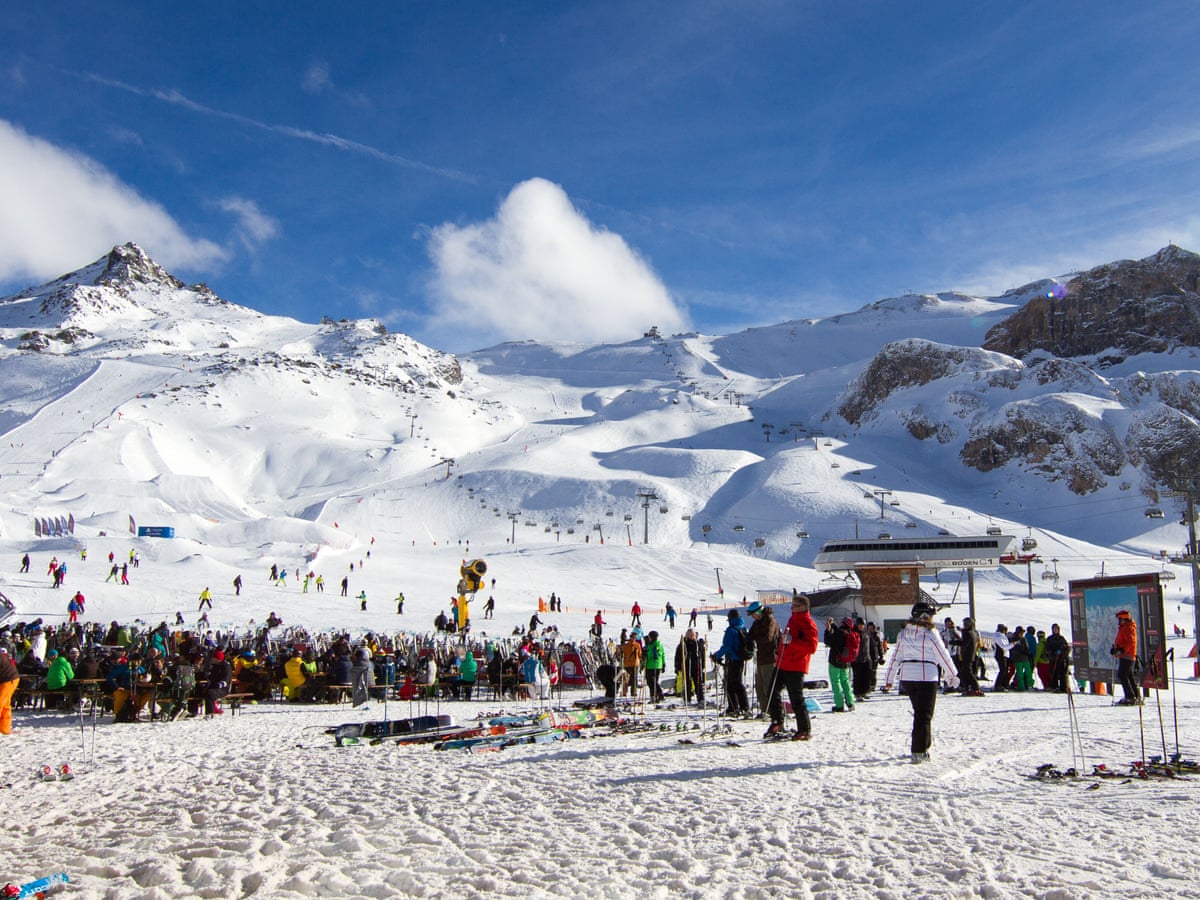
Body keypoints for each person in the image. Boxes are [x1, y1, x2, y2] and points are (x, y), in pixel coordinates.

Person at [884, 601, 960, 763]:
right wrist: (952, 674)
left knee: (919, 713)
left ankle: (923, 745)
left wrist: (889, 679)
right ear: (925, 616)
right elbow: (942, 655)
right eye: (931, 615)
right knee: (924, 715)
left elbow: (895, 657)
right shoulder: (930, 634)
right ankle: (918, 751)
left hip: (907, 678)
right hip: (926, 676)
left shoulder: (903, 633)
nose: (932, 619)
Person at [765, 592, 819, 740]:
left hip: (796, 665)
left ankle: (805, 729)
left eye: (794, 606)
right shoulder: (793, 619)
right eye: (792, 605)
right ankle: (777, 721)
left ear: (802, 607)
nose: (791, 608)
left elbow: (812, 647)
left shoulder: (808, 623)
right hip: (783, 662)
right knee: (772, 692)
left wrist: (792, 642)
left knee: (796, 698)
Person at [712, 609, 751, 716]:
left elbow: (727, 647)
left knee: (731, 684)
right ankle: (740, 707)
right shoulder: (742, 628)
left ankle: (736, 707)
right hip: (740, 659)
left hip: (733, 660)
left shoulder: (731, 630)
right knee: (735, 683)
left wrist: (717, 655)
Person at [746, 600, 781, 716]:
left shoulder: (770, 620)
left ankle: (773, 711)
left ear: (759, 611)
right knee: (759, 687)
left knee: (768, 686)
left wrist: (754, 639)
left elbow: (768, 637)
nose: (752, 617)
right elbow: (750, 635)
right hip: (761, 658)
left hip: (770, 658)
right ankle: (765, 710)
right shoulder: (757, 622)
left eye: (753, 614)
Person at [823, 616, 858, 712]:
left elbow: (828, 641)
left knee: (836, 683)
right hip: (845, 663)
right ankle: (850, 703)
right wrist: (833, 625)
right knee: (845, 682)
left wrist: (827, 630)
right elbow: (838, 631)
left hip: (835, 662)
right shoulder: (850, 634)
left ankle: (839, 705)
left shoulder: (838, 633)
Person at [1112, 609, 1140, 705]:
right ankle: (1136, 696)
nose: (1119, 621)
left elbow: (1130, 642)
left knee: (1122, 675)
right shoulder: (1125, 627)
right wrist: (1116, 649)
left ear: (1124, 618)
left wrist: (1122, 650)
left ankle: (1130, 697)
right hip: (1126, 655)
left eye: (1120, 619)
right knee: (1128, 675)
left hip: (1127, 655)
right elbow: (1123, 641)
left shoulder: (1128, 628)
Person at [675, 630, 705, 706]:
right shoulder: (683, 644)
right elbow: (678, 655)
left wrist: (703, 665)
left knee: (698, 682)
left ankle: (700, 698)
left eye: (693, 635)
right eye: (690, 635)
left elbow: (702, 655)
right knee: (687, 682)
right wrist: (678, 666)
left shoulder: (697, 644)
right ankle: (687, 698)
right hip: (686, 665)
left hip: (696, 665)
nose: (691, 636)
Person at [957, 617, 983, 696]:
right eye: (964, 623)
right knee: (964, 671)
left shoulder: (968, 633)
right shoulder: (971, 632)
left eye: (967, 623)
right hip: (969, 655)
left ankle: (976, 688)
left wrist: (953, 642)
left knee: (968, 671)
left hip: (968, 655)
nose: (965, 625)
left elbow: (964, 643)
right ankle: (967, 687)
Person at [1044, 623, 1071, 692]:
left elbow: (1067, 648)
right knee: (1054, 673)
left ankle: (1063, 688)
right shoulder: (1050, 639)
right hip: (1053, 659)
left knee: (1063, 674)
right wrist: (1053, 653)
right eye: (1054, 629)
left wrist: (1063, 653)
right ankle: (1054, 687)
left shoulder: (1061, 638)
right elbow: (1047, 649)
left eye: (1056, 629)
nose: (1055, 630)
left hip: (1061, 659)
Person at [0, 648, 21, 734]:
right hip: (7, 679)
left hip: (9, 679)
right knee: (5, 704)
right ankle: (4, 728)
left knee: (1, 702)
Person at [643, 631, 665, 703]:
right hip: (654, 665)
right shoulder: (657, 644)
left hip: (653, 665)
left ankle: (659, 694)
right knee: (651, 682)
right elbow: (662, 654)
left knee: (652, 682)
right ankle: (653, 696)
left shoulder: (654, 645)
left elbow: (651, 655)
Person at [620, 633, 642, 697]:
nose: (633, 639)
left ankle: (633, 692)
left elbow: (639, 654)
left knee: (634, 678)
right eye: (632, 637)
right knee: (626, 679)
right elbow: (622, 654)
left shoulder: (637, 645)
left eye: (635, 638)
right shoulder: (626, 646)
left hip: (635, 664)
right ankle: (624, 691)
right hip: (627, 664)